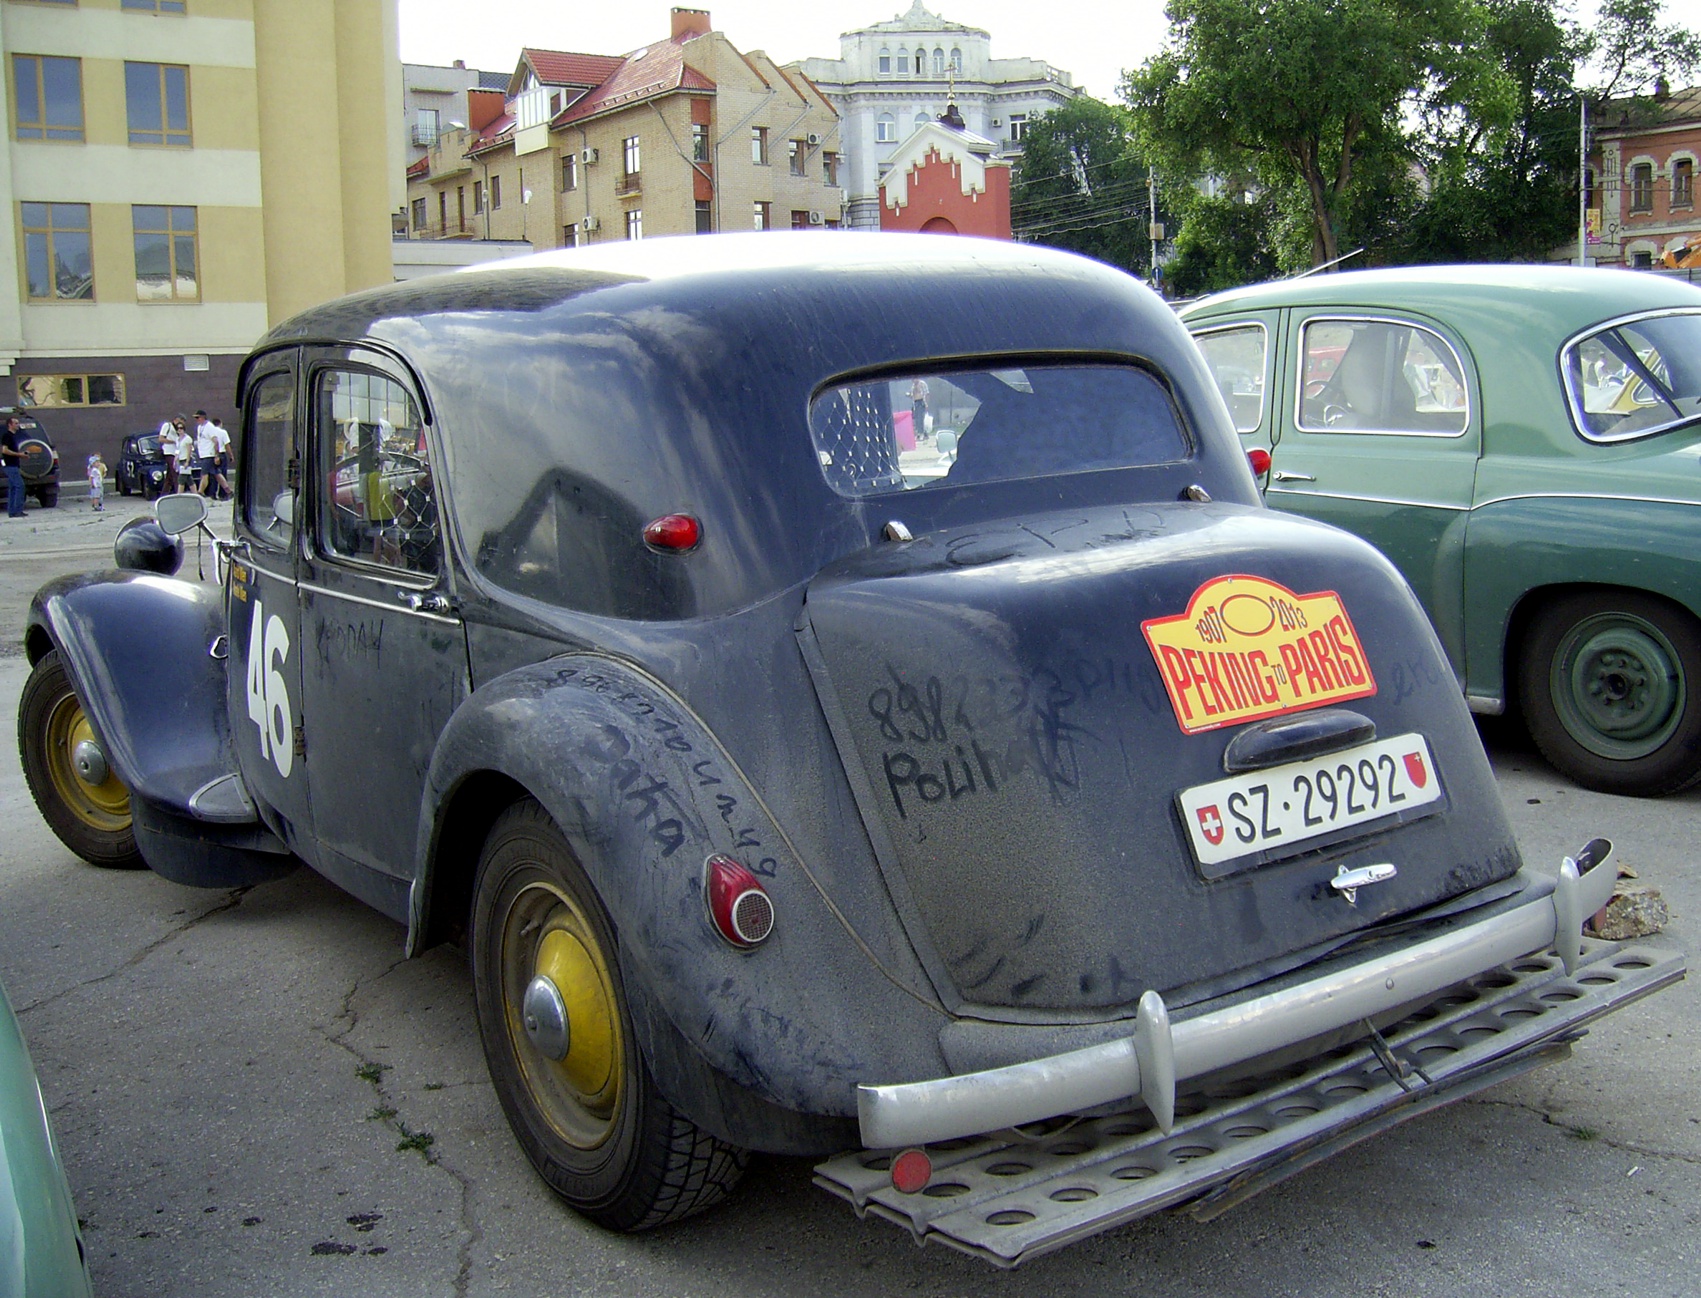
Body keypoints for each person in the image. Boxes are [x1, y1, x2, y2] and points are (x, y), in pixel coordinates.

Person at [1, 416, 24, 517]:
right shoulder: (7, 436)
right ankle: (17, 510)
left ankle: (12, 511)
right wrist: (19, 454)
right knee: (20, 486)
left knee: (12, 488)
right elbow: (4, 450)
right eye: (15, 423)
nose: (17, 425)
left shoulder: (13, 437)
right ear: (10, 425)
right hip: (10, 466)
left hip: (14, 465)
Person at [193, 410, 218, 496]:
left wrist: (216, 455)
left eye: (198, 417)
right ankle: (227, 490)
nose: (197, 419)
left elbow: (215, 441)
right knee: (216, 474)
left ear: (203, 417)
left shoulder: (209, 427)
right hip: (203, 454)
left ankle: (200, 491)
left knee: (204, 474)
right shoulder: (199, 427)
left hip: (209, 454)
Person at [209, 418, 232, 499]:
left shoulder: (210, 432)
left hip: (212, 455)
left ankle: (212, 493)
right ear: (220, 423)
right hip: (221, 454)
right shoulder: (223, 432)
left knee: (214, 475)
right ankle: (223, 494)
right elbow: (227, 445)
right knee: (222, 474)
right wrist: (231, 456)